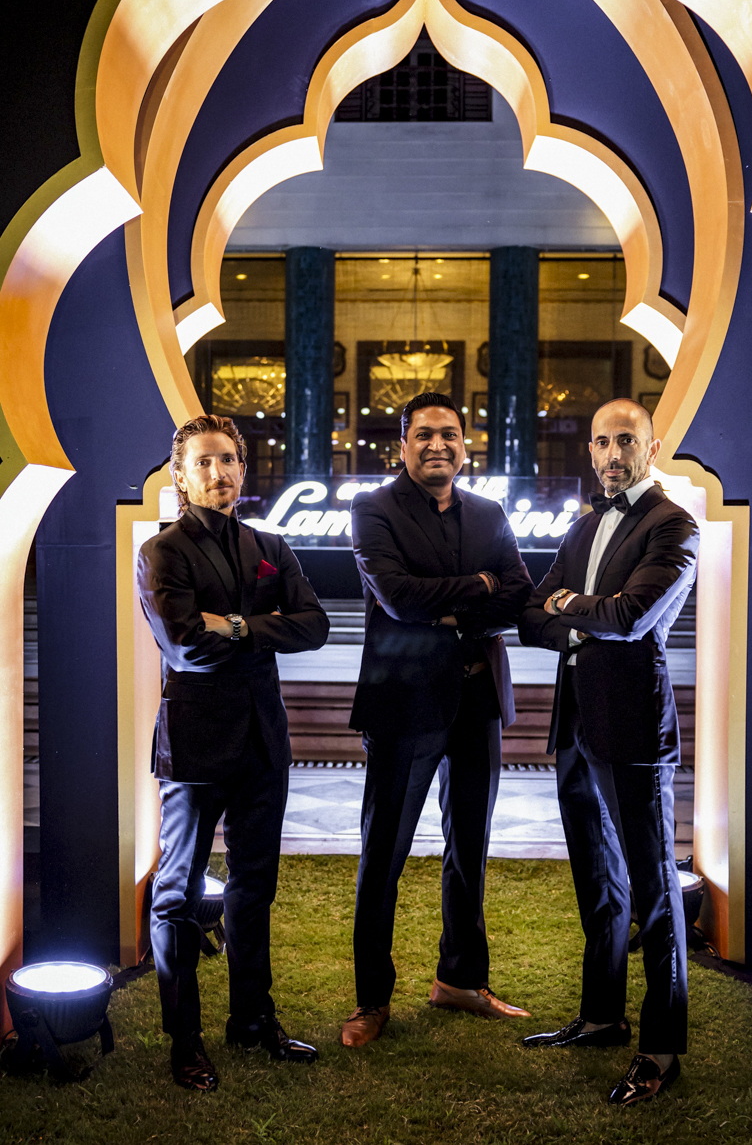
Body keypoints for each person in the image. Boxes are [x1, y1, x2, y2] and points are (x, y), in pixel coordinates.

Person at [137, 414, 329, 1092]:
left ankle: (251, 1019)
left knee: (254, 888)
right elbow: (187, 645)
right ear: (182, 476)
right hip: (195, 744)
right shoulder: (161, 551)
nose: (217, 473)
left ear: (243, 469)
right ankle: (184, 1040)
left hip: (263, 741)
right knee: (177, 894)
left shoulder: (270, 545)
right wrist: (264, 629)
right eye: (203, 463)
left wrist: (240, 625)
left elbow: (315, 626)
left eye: (227, 460)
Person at [518, 398, 699, 1106]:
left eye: (626, 440)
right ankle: (601, 1017)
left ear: (650, 449)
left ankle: (661, 1048)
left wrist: (568, 607)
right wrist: (571, 613)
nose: (612, 453)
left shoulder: (673, 525)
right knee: (598, 884)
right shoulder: (585, 525)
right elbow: (528, 616)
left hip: (631, 729)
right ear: (590, 451)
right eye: (601, 441)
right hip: (575, 725)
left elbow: (629, 617)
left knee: (654, 894)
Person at [341, 392, 533, 1048]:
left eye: (448, 434)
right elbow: (398, 597)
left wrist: (452, 605)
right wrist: (480, 587)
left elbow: (519, 594)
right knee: (383, 855)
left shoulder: (488, 512)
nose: (437, 445)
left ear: (464, 444)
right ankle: (371, 999)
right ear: (403, 444)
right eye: (423, 434)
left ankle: (460, 979)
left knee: (469, 849)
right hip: (404, 705)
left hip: (477, 701)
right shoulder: (372, 508)